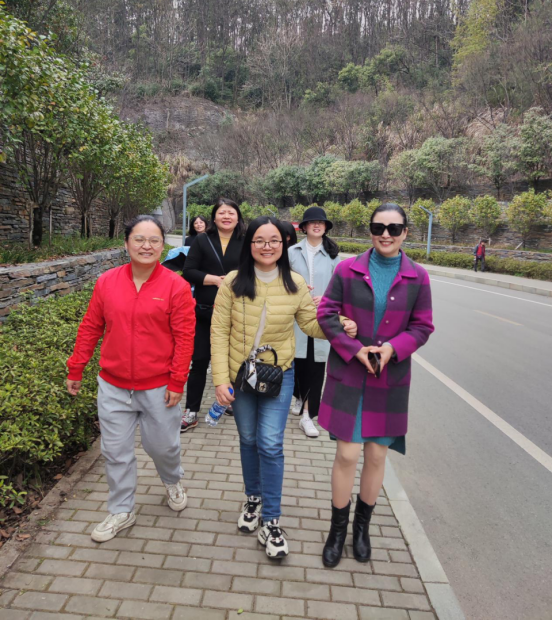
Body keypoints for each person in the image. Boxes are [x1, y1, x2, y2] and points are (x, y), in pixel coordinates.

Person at [210, 216, 357, 559]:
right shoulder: (232, 282)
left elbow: (310, 323)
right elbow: (218, 333)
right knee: (248, 439)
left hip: (279, 375)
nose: (267, 246)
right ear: (249, 244)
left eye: (274, 240)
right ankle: (253, 499)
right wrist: (220, 379)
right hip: (239, 375)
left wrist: (339, 325)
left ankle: (272, 520)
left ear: (284, 244)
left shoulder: (295, 283)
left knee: (270, 443)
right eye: (260, 240)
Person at [316, 202, 434, 568]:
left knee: (377, 456)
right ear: (370, 230)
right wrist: (354, 348)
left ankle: (361, 530)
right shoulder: (347, 269)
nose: (386, 234)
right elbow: (325, 313)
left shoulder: (418, 277)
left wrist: (391, 349)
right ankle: (337, 531)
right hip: (350, 375)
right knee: (347, 455)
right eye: (379, 227)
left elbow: (422, 326)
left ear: (405, 233)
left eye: (394, 228)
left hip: (389, 378)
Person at [66, 215, 196, 543]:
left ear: (163, 245)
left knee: (163, 447)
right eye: (139, 239)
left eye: (154, 240)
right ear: (126, 244)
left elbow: (185, 338)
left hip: (159, 387)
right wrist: (76, 367)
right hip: (113, 385)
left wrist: (177, 381)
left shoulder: (176, 286)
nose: (146, 246)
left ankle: (172, 479)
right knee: (115, 451)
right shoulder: (107, 282)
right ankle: (121, 509)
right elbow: (91, 326)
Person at [181, 198, 246, 431]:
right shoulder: (202, 240)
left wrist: (234, 280)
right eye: (222, 213)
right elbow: (188, 271)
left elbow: (255, 270)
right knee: (199, 360)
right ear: (214, 217)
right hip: (205, 311)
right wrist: (215, 280)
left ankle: (228, 401)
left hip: (237, 311)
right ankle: (191, 410)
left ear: (238, 217)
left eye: (231, 212)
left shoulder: (246, 240)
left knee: (234, 361)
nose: (226, 216)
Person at [288, 207, 341, 438]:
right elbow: (283, 280)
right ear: (304, 227)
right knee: (298, 362)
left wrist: (327, 298)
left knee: (317, 365)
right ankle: (299, 396)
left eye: (321, 222)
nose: (317, 225)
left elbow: (339, 286)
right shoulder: (291, 252)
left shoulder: (333, 255)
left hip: (322, 316)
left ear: (326, 227)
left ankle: (308, 416)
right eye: (312, 222)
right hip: (295, 316)